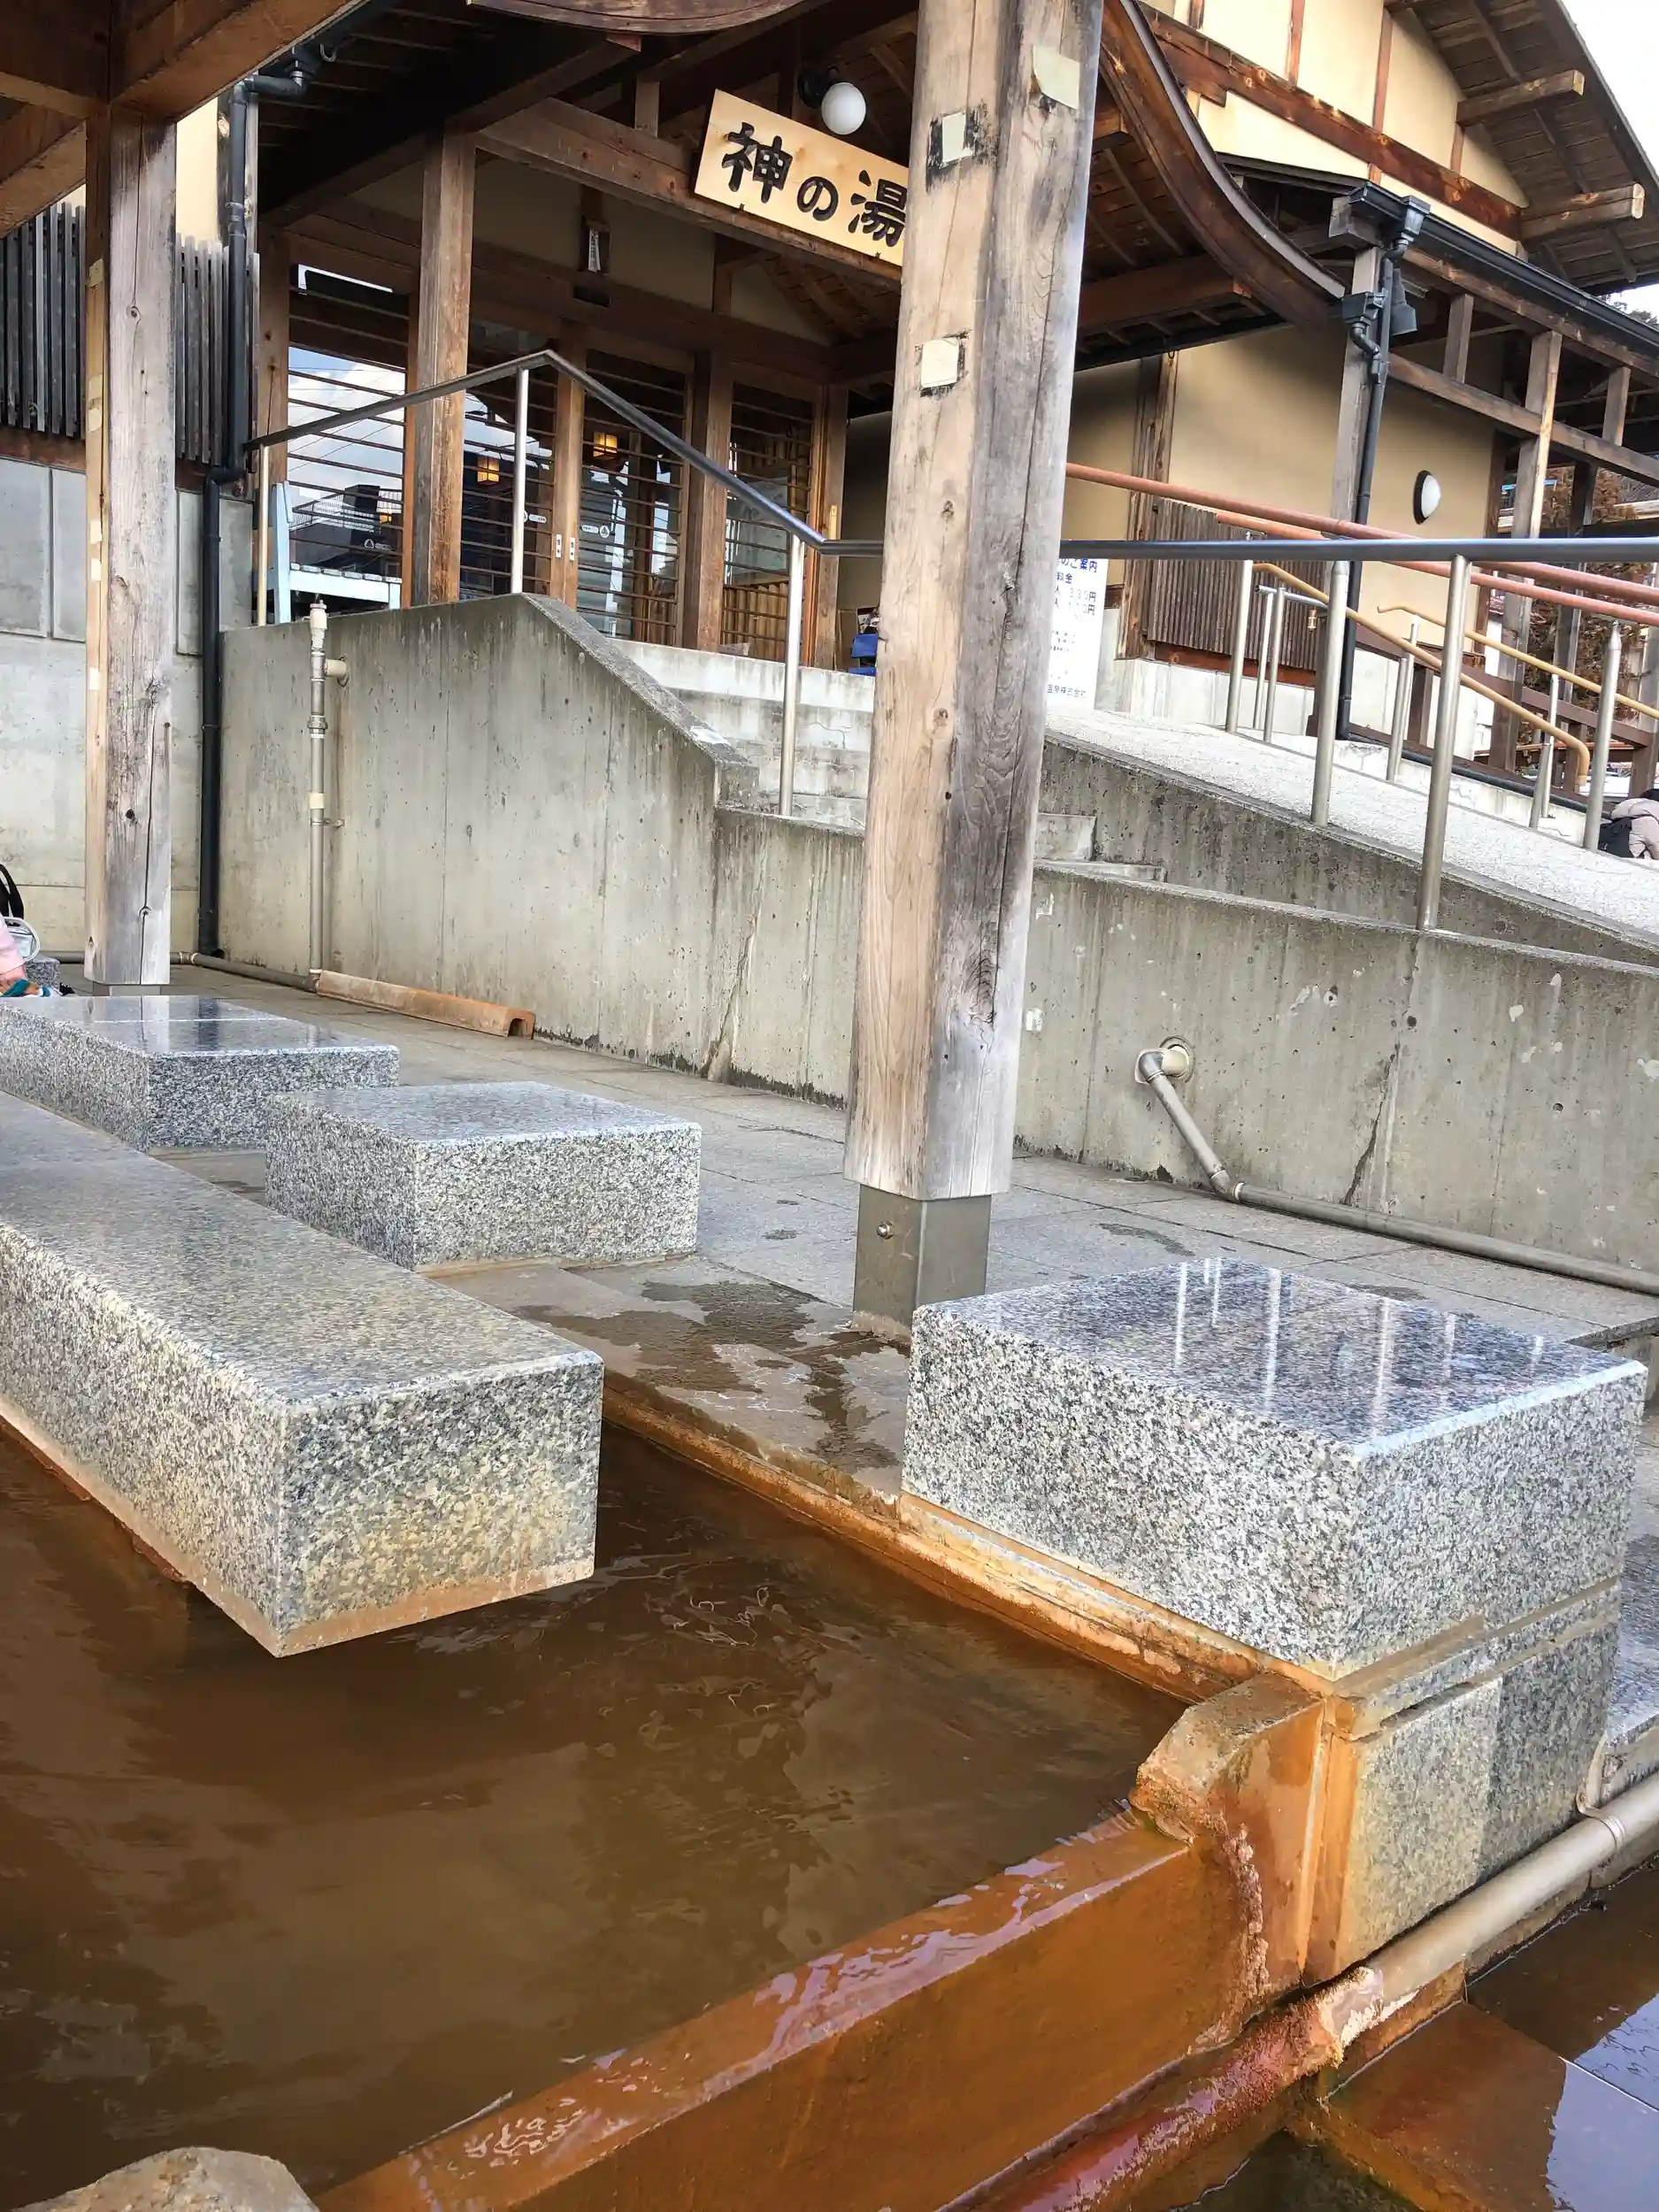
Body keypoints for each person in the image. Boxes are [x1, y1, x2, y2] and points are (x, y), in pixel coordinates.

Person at [1601, 786, 1659, 861]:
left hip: (1613, 858)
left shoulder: (1622, 816)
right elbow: (1657, 850)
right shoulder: (1648, 822)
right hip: (1633, 863)